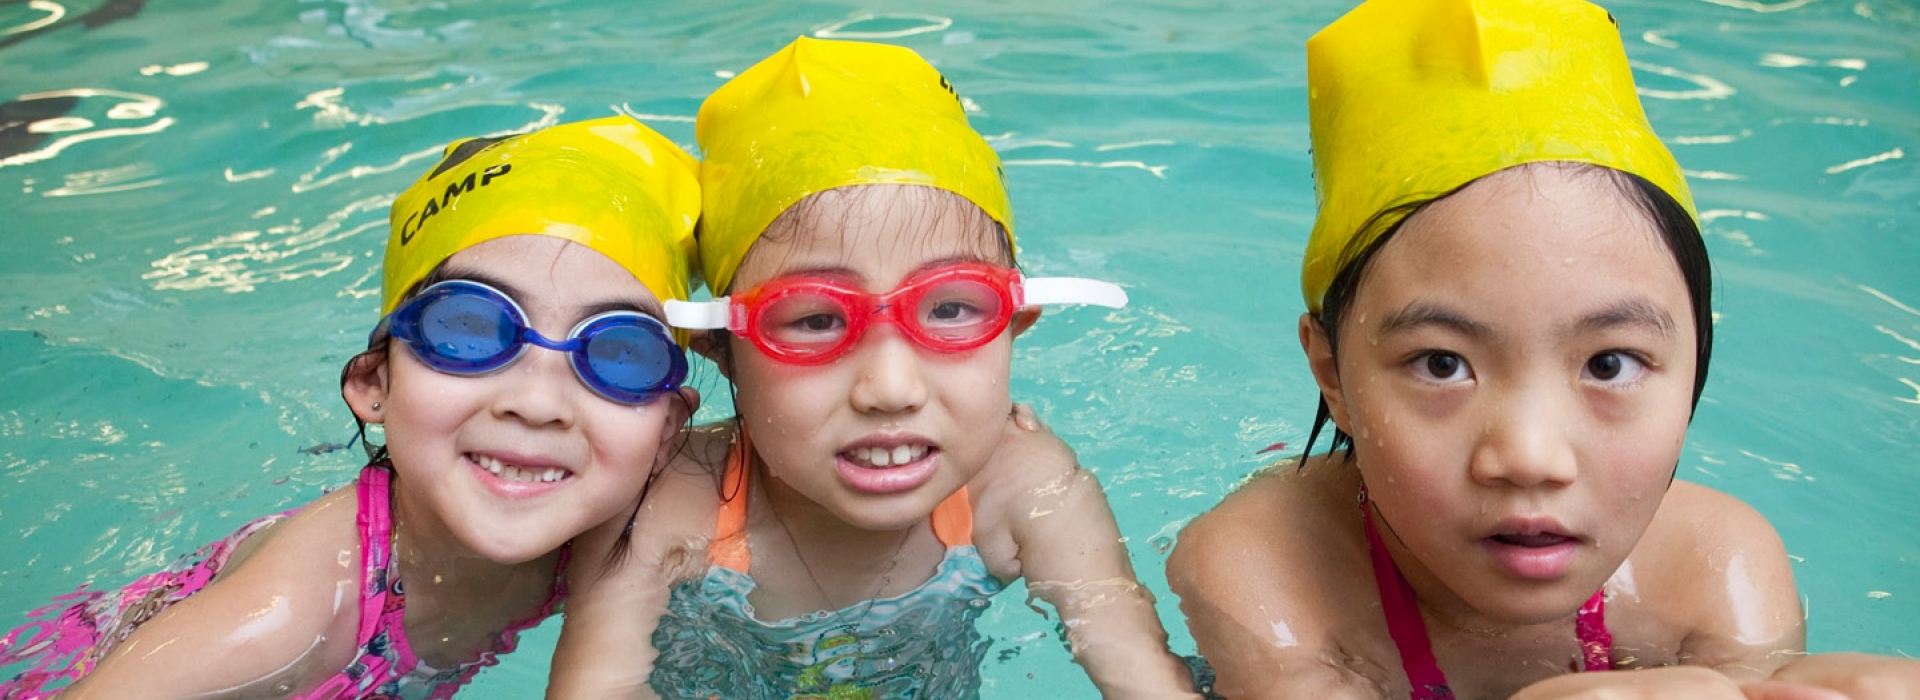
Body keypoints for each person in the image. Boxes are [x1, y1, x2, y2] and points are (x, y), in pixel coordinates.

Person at [1168, 0, 1920, 697]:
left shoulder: (1717, 566)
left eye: (1609, 364)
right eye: (1441, 364)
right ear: (1333, 373)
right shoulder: (1262, 569)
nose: (1530, 457)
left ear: (1697, 362)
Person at [548, 37, 1200, 699]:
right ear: (719, 348)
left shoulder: (1022, 490)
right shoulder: (668, 507)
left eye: (949, 308)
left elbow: (1143, 678)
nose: (891, 388)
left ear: (1013, 323)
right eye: (815, 320)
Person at [0, 115, 701, 699]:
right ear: (374, 385)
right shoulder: (290, 617)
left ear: (668, 427)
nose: (539, 402)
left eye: (619, 356)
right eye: (468, 332)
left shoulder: (625, 508)